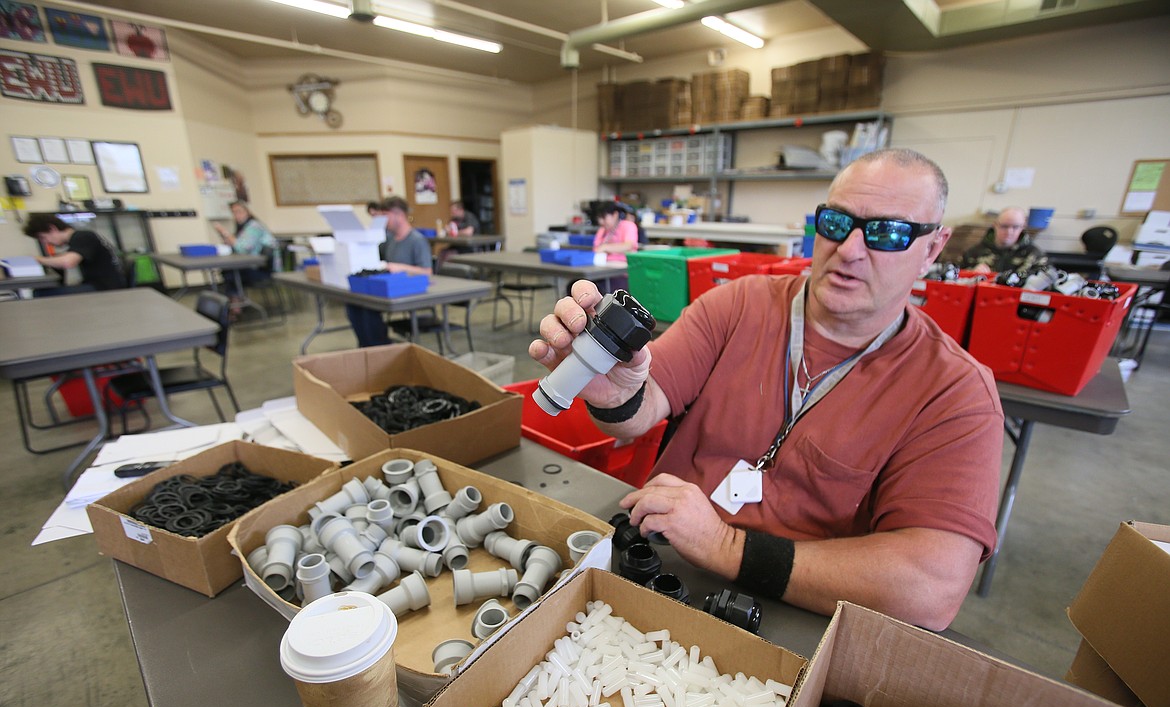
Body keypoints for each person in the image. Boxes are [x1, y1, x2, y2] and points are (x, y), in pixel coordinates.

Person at [530, 149, 1004, 631]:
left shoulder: (954, 393)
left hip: (799, 617)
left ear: (932, 248)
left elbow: (931, 588)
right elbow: (644, 405)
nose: (850, 249)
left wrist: (725, 547)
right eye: (836, 222)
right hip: (664, 565)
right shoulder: (739, 305)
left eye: (888, 233)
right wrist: (618, 394)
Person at [347, 196, 433, 347]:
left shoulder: (417, 240)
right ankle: (367, 347)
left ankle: (379, 347)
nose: (382, 220)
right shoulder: (390, 240)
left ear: (398, 215)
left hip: (409, 290)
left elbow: (427, 272)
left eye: (384, 215)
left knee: (369, 310)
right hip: (389, 289)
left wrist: (400, 267)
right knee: (354, 305)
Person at [22, 213, 125, 291]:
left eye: (43, 237)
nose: (45, 242)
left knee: (41, 293)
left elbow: (68, 262)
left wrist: (37, 259)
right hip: (99, 285)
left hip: (104, 288)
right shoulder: (77, 239)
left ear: (52, 228)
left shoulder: (82, 236)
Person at [213, 201, 278, 296]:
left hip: (261, 270)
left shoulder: (254, 226)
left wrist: (225, 232)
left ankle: (236, 304)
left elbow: (242, 248)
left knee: (232, 273)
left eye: (239, 212)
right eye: (234, 213)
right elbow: (233, 245)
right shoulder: (243, 227)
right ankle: (235, 302)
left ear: (247, 212)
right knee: (228, 271)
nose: (236, 215)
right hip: (250, 266)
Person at [959, 207, 1047, 274]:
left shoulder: (1035, 255)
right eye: (1004, 226)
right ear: (995, 225)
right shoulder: (973, 253)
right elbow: (956, 279)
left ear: (1022, 227)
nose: (1009, 232)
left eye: (1015, 227)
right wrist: (972, 274)